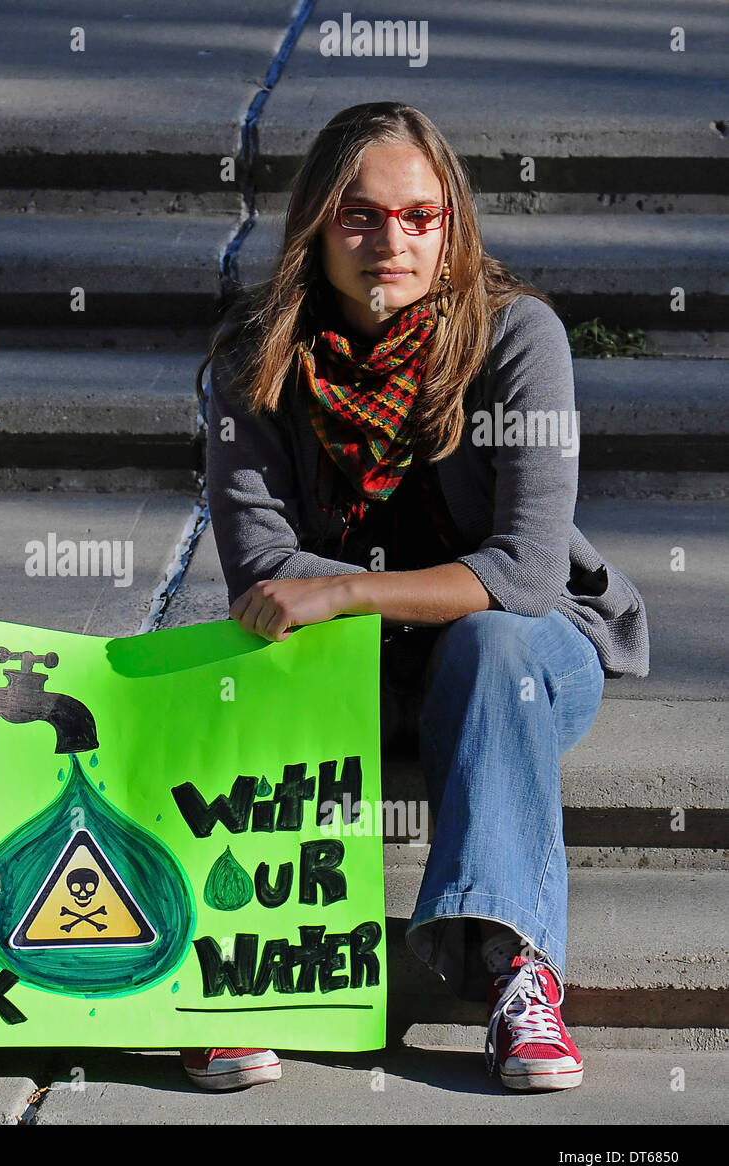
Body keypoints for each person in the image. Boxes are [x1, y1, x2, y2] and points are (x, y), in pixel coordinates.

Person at [197, 100, 649, 1093]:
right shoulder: (256, 354)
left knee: (490, 645)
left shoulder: (516, 337)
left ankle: (512, 968)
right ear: (316, 222)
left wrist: (347, 591)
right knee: (238, 663)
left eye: (418, 217)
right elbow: (261, 576)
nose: (389, 241)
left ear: (452, 228)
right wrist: (344, 605)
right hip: (343, 662)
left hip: (526, 655)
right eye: (359, 216)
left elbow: (523, 575)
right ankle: (244, 966)